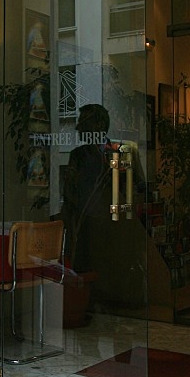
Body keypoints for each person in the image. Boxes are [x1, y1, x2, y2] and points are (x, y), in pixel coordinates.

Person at [61, 104, 145, 310]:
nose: (78, 128)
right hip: (87, 226)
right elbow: (70, 195)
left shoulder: (122, 151)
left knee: (114, 272)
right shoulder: (78, 156)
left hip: (115, 226)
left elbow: (137, 187)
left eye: (83, 123)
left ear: (97, 126)